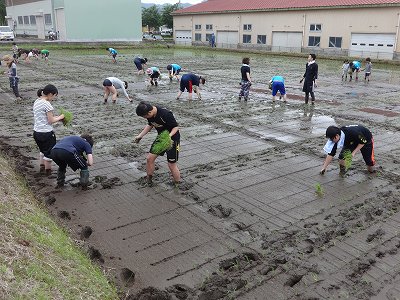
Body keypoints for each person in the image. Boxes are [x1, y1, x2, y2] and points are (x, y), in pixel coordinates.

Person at [135, 102, 181, 186]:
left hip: (173, 139)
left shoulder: (166, 114)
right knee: (149, 159)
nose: (145, 118)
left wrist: (168, 137)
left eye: (144, 116)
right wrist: (140, 136)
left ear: (149, 112)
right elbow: (150, 125)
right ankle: (149, 180)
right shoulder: (150, 114)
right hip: (161, 138)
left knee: (171, 164)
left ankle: (177, 184)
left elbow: (176, 127)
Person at [33, 84, 64, 175]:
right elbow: (51, 121)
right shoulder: (47, 104)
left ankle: (42, 167)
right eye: (54, 96)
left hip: (36, 132)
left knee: (42, 150)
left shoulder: (37, 101)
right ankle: (48, 172)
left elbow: (44, 117)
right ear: (50, 94)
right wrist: (61, 117)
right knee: (49, 154)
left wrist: (56, 117)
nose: (54, 98)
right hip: (46, 133)